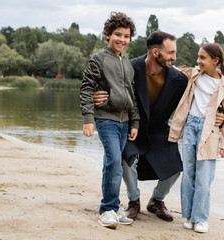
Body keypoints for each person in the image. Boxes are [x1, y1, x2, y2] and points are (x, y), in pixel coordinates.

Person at [92, 31, 223, 223]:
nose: (174, 57)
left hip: (160, 130)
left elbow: (201, 94)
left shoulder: (179, 79)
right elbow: (107, 83)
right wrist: (97, 96)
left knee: (176, 167)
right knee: (127, 159)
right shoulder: (130, 67)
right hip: (132, 127)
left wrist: (219, 113)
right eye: (170, 53)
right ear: (155, 52)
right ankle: (134, 201)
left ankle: (156, 200)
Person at [79, 11, 139, 229]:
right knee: (113, 160)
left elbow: (132, 94)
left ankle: (113, 208)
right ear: (107, 34)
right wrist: (88, 118)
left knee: (114, 164)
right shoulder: (98, 59)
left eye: (126, 35)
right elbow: (87, 88)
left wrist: (135, 123)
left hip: (125, 122)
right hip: (106, 119)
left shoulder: (129, 65)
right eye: (117, 34)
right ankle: (106, 211)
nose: (122, 39)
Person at [168, 43, 224, 233]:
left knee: (204, 178)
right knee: (188, 175)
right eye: (198, 57)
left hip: (210, 132)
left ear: (216, 61)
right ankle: (188, 216)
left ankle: (201, 218)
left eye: (203, 58)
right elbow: (175, 70)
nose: (198, 61)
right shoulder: (194, 74)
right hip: (190, 127)